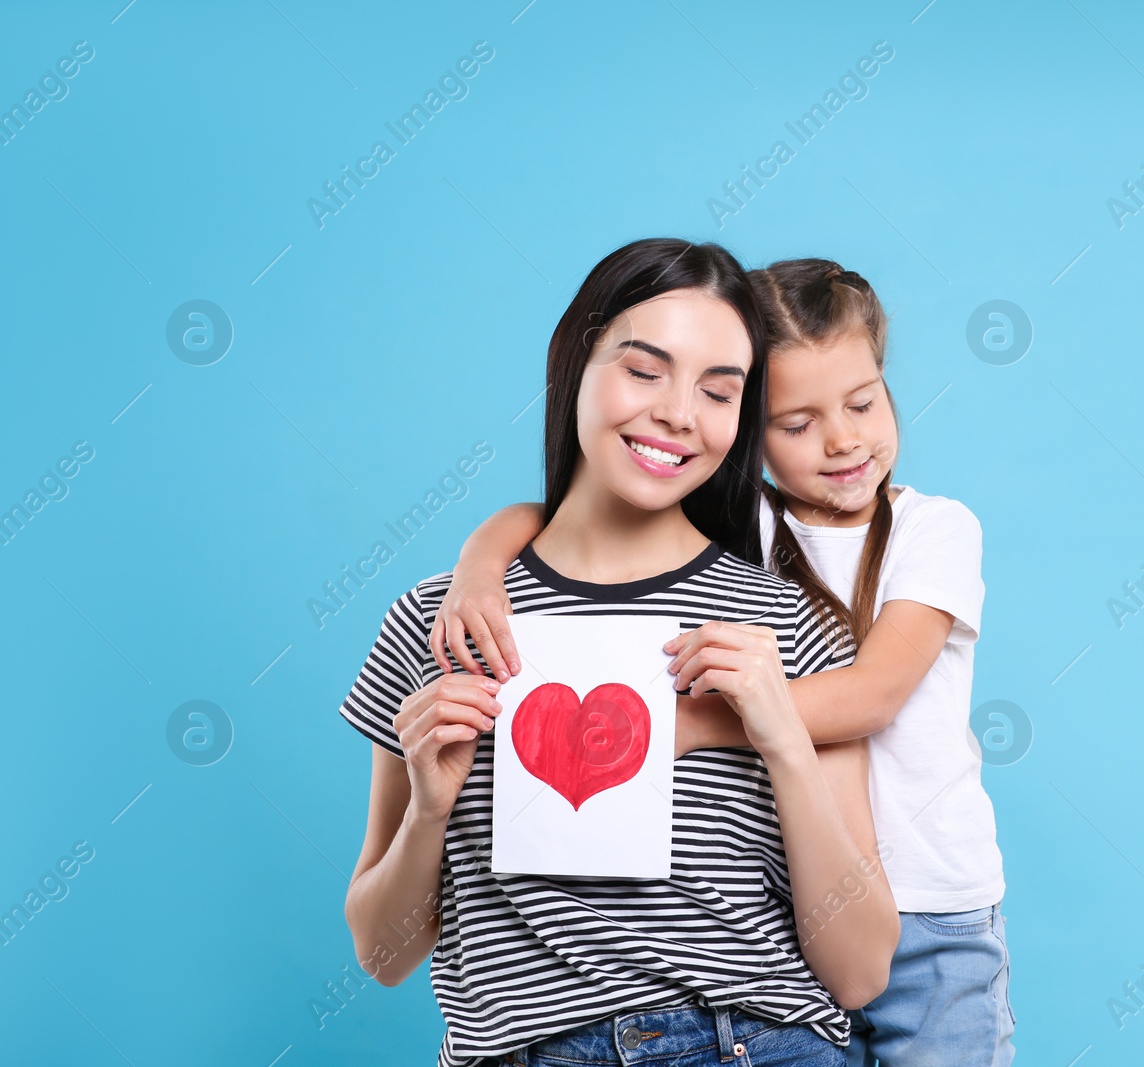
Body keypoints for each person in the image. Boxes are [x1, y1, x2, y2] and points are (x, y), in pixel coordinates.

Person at [433, 258, 1014, 1066]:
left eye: (862, 401)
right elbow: (558, 507)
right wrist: (478, 564)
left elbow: (874, 693)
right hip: (803, 908)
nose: (842, 439)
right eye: (796, 422)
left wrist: (692, 723)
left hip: (934, 911)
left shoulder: (933, 529)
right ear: (747, 427)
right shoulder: (749, 527)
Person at [339, 239, 899, 1067]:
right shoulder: (443, 619)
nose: (679, 412)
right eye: (644, 370)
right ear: (575, 360)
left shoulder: (785, 622)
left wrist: (781, 735)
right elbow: (383, 958)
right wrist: (429, 809)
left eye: (718, 391)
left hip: (751, 1045)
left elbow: (859, 971)